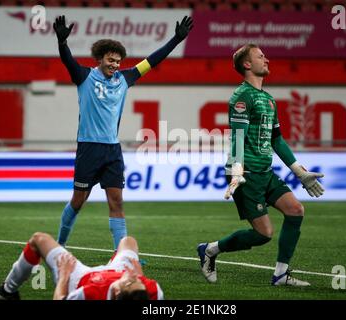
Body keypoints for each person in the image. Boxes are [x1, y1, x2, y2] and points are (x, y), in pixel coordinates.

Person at [52, 15, 193, 250]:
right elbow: (68, 62)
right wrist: (62, 43)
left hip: (112, 150)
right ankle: (59, 245)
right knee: (78, 201)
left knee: (116, 201)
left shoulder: (125, 78)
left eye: (118, 61)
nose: (115, 65)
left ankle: (121, 254)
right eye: (111, 60)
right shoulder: (84, 76)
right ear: (100, 59)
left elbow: (152, 60)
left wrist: (176, 40)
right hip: (89, 148)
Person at [197, 44, 324, 286]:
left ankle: (281, 275)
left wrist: (298, 171)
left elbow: (276, 138)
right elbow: (237, 137)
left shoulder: (268, 99)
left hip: (266, 173)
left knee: (296, 210)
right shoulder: (242, 96)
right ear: (247, 64)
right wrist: (236, 170)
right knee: (263, 234)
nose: (266, 59)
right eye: (260, 56)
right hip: (246, 173)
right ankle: (210, 250)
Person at [0, 232, 163, 300]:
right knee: (128, 241)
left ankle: (8, 290)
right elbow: (136, 284)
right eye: (138, 280)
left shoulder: (90, 294)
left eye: (130, 282)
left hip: (79, 278)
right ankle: (112, 263)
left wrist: (63, 277)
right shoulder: (151, 290)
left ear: (116, 292)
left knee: (39, 240)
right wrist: (138, 277)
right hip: (115, 271)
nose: (135, 278)